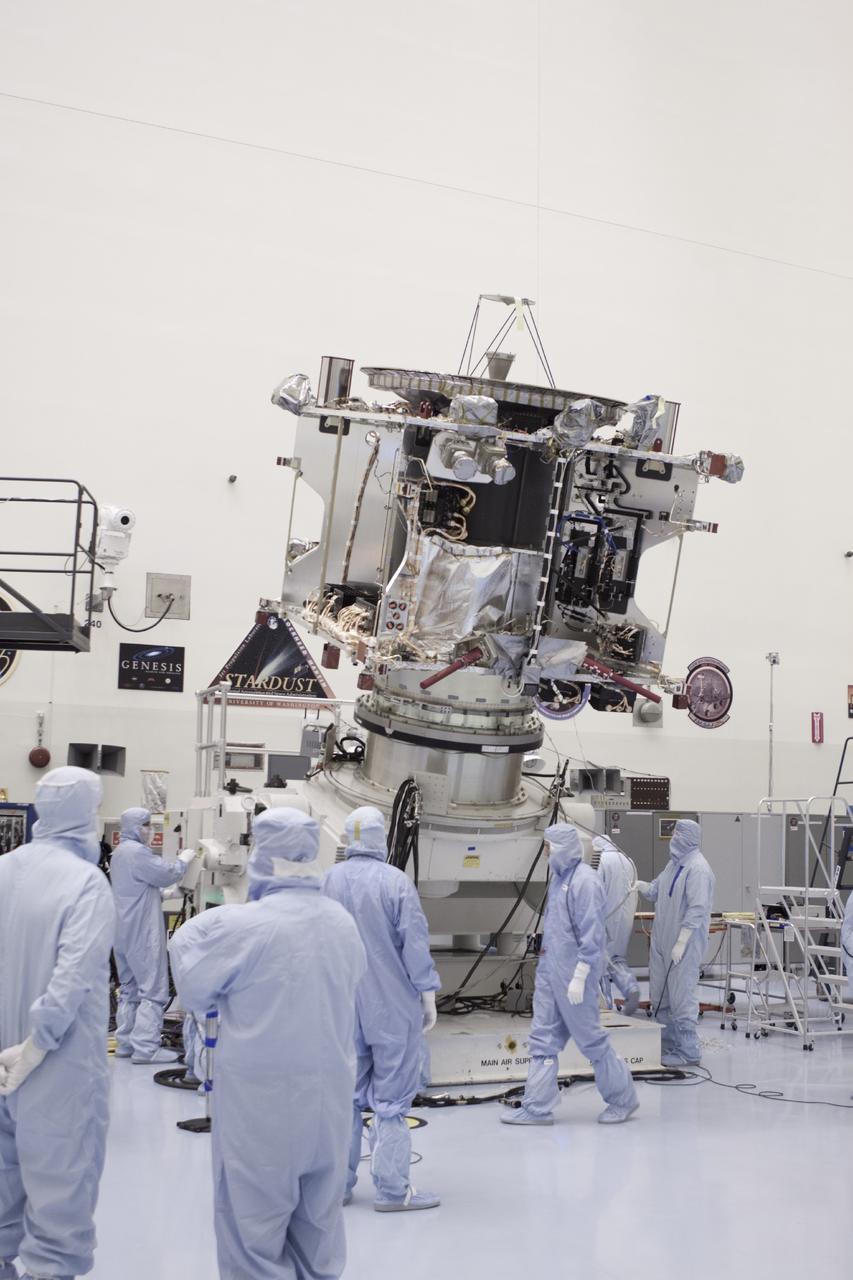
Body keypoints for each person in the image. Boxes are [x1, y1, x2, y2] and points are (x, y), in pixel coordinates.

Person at [169, 808, 366, 1280]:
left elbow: (192, 985)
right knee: (318, 1234)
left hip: (262, 1112)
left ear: (263, 853)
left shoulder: (243, 927)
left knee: (252, 1236)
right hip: (329, 1106)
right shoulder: (342, 923)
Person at [0, 766, 116, 1280]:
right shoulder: (85, 883)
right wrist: (36, 1045)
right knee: (61, 1193)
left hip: (1, 1060)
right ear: (86, 813)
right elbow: (73, 978)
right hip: (55, 1066)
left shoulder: (3, 869)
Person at [323, 806, 441, 1213]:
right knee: (390, 1102)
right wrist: (427, 992)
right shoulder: (395, 883)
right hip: (390, 1007)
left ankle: (335, 1187)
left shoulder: (328, 880)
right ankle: (392, 1191)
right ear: (381, 837)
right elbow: (414, 943)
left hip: (342, 1005)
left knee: (345, 1098)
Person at [502, 823, 638, 1127]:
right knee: (542, 1040)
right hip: (552, 975)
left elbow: (592, 934)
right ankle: (537, 1107)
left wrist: (580, 974)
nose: (545, 853)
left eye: (548, 847)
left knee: (592, 1042)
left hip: (576, 978)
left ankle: (623, 1099)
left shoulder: (585, 881)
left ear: (562, 848)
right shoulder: (559, 880)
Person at [110, 807, 194, 1063]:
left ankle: (126, 1044)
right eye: (146, 825)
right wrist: (184, 860)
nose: (150, 830)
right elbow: (166, 873)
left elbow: (135, 888)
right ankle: (146, 1049)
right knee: (153, 989)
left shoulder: (119, 853)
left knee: (130, 989)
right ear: (135, 827)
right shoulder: (137, 852)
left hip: (122, 930)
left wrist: (167, 895)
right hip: (142, 932)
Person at [637, 818, 715, 1068]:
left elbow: (697, 908)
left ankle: (688, 1051)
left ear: (690, 838)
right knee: (660, 995)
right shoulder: (673, 865)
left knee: (681, 997)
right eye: (674, 834)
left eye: (678, 835)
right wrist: (640, 886)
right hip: (662, 941)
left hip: (684, 944)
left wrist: (681, 941)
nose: (674, 839)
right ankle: (667, 1045)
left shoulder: (698, 869)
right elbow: (655, 891)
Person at [593, 834, 641, 1016]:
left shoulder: (601, 861)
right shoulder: (628, 861)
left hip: (606, 918)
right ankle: (630, 987)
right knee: (617, 958)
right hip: (624, 920)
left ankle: (605, 1005)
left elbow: (594, 892)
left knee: (599, 961)